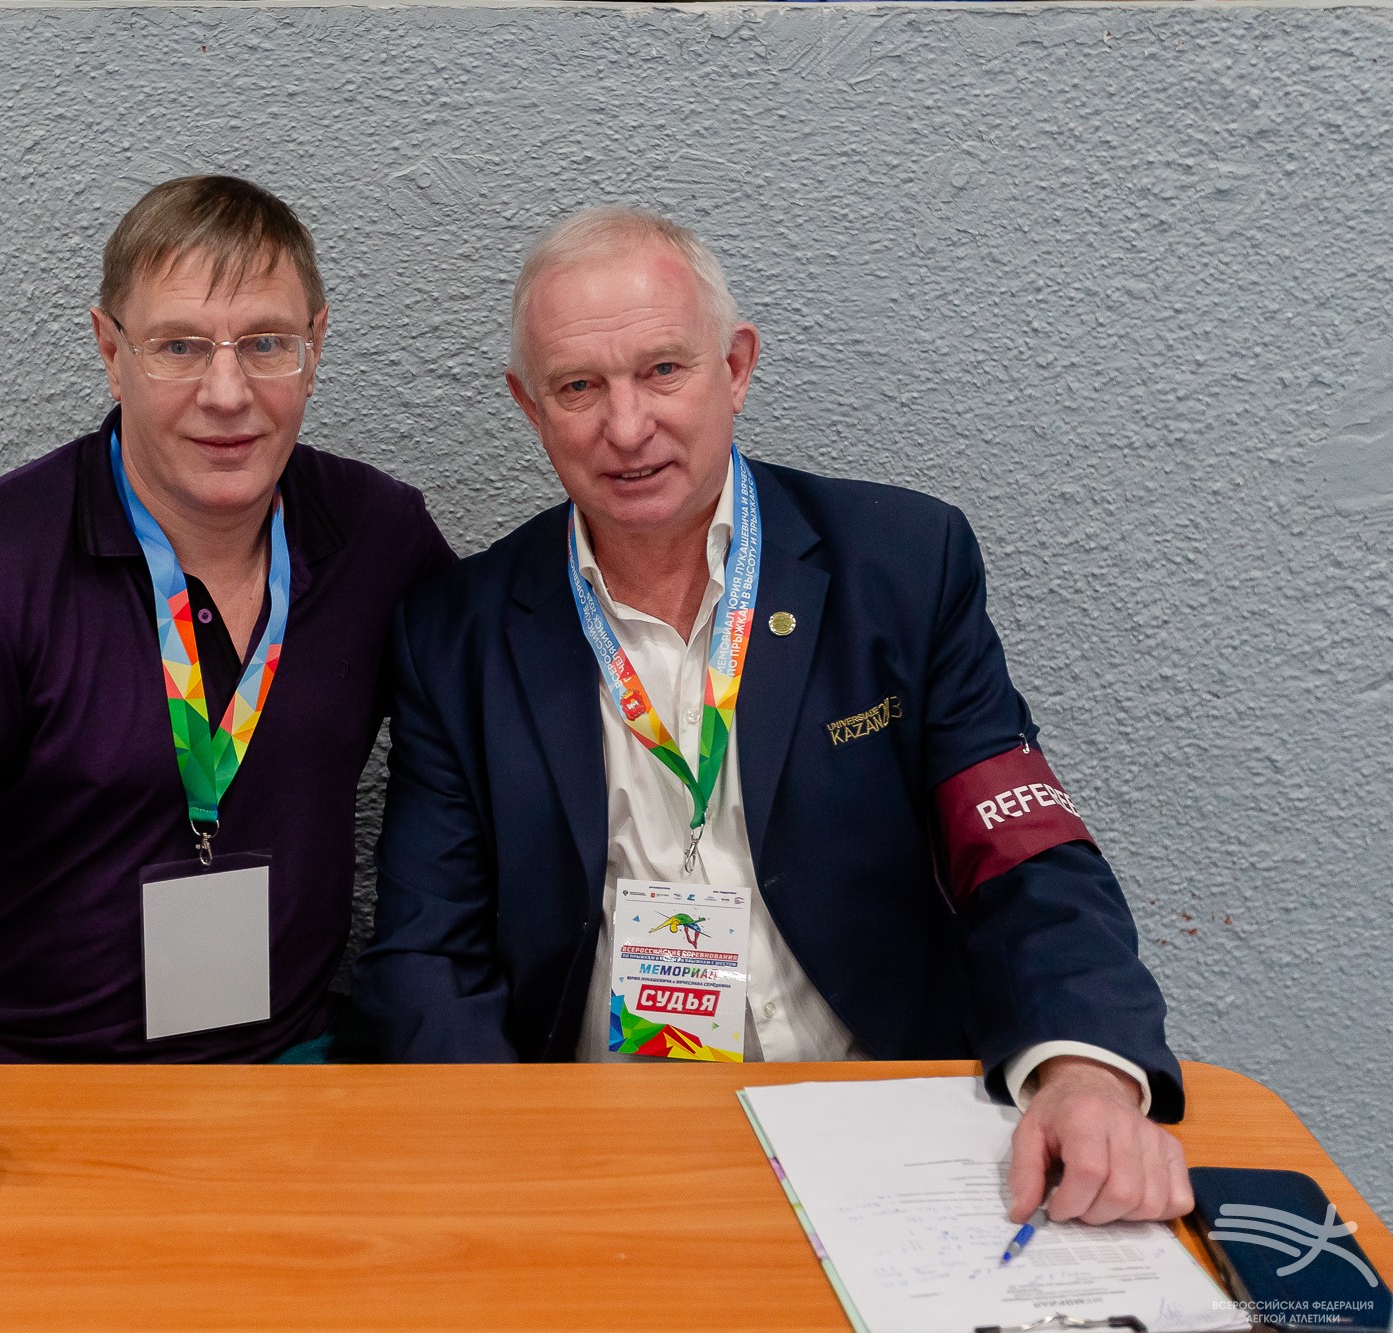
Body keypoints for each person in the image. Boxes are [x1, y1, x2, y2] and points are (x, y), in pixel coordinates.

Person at [353, 206, 1193, 1227]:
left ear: (736, 367)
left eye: (663, 370)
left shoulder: (901, 566)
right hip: (597, 1147)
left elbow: (1020, 854)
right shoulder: (457, 631)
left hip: (885, 1123)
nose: (627, 425)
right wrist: (506, 1164)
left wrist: (1084, 1071)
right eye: (579, 387)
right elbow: (428, 950)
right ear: (530, 407)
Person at [0, 175, 453, 1225]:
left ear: (316, 345)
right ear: (110, 350)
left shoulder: (381, 538)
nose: (227, 392)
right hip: (26, 1094)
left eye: (266, 343)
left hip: (286, 1078)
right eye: (178, 346)